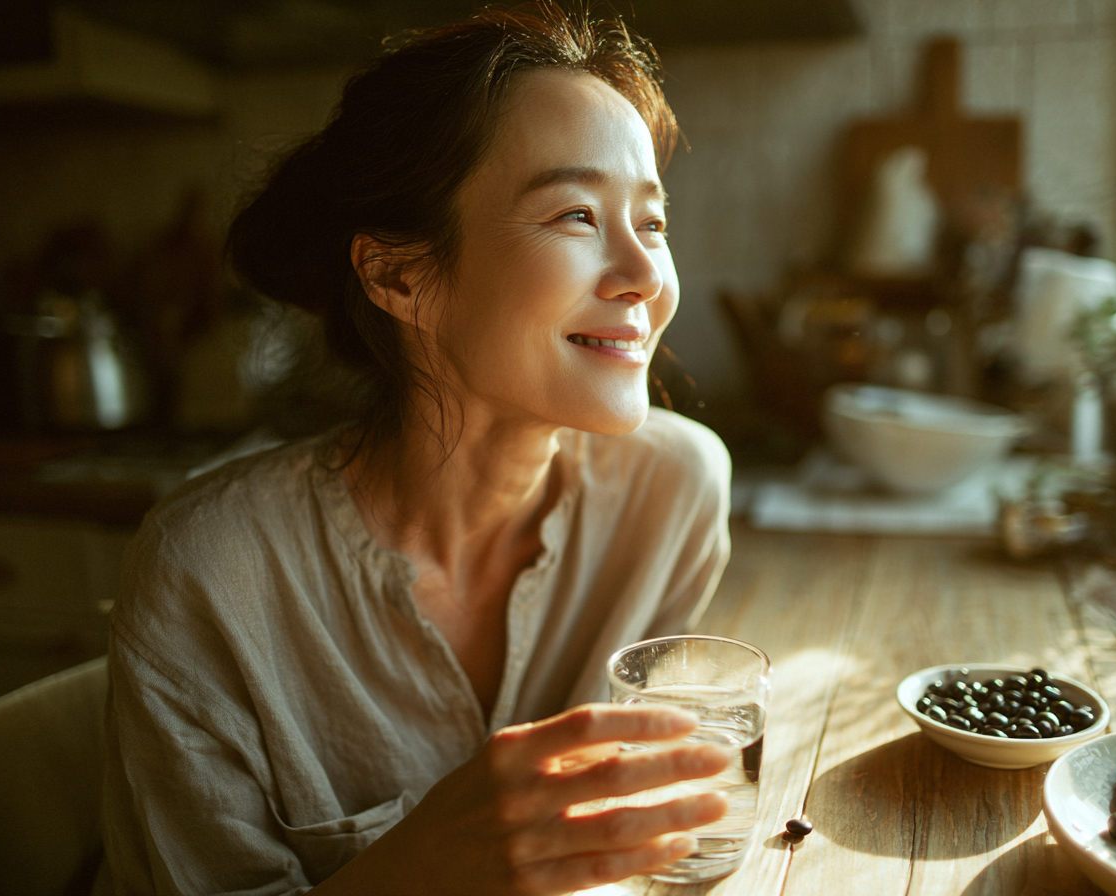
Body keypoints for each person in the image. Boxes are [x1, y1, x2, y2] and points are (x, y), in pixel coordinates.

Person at [99, 4, 734, 894]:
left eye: (653, 223)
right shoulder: (207, 574)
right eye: (577, 215)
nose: (644, 277)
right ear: (399, 276)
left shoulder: (675, 492)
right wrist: (420, 867)